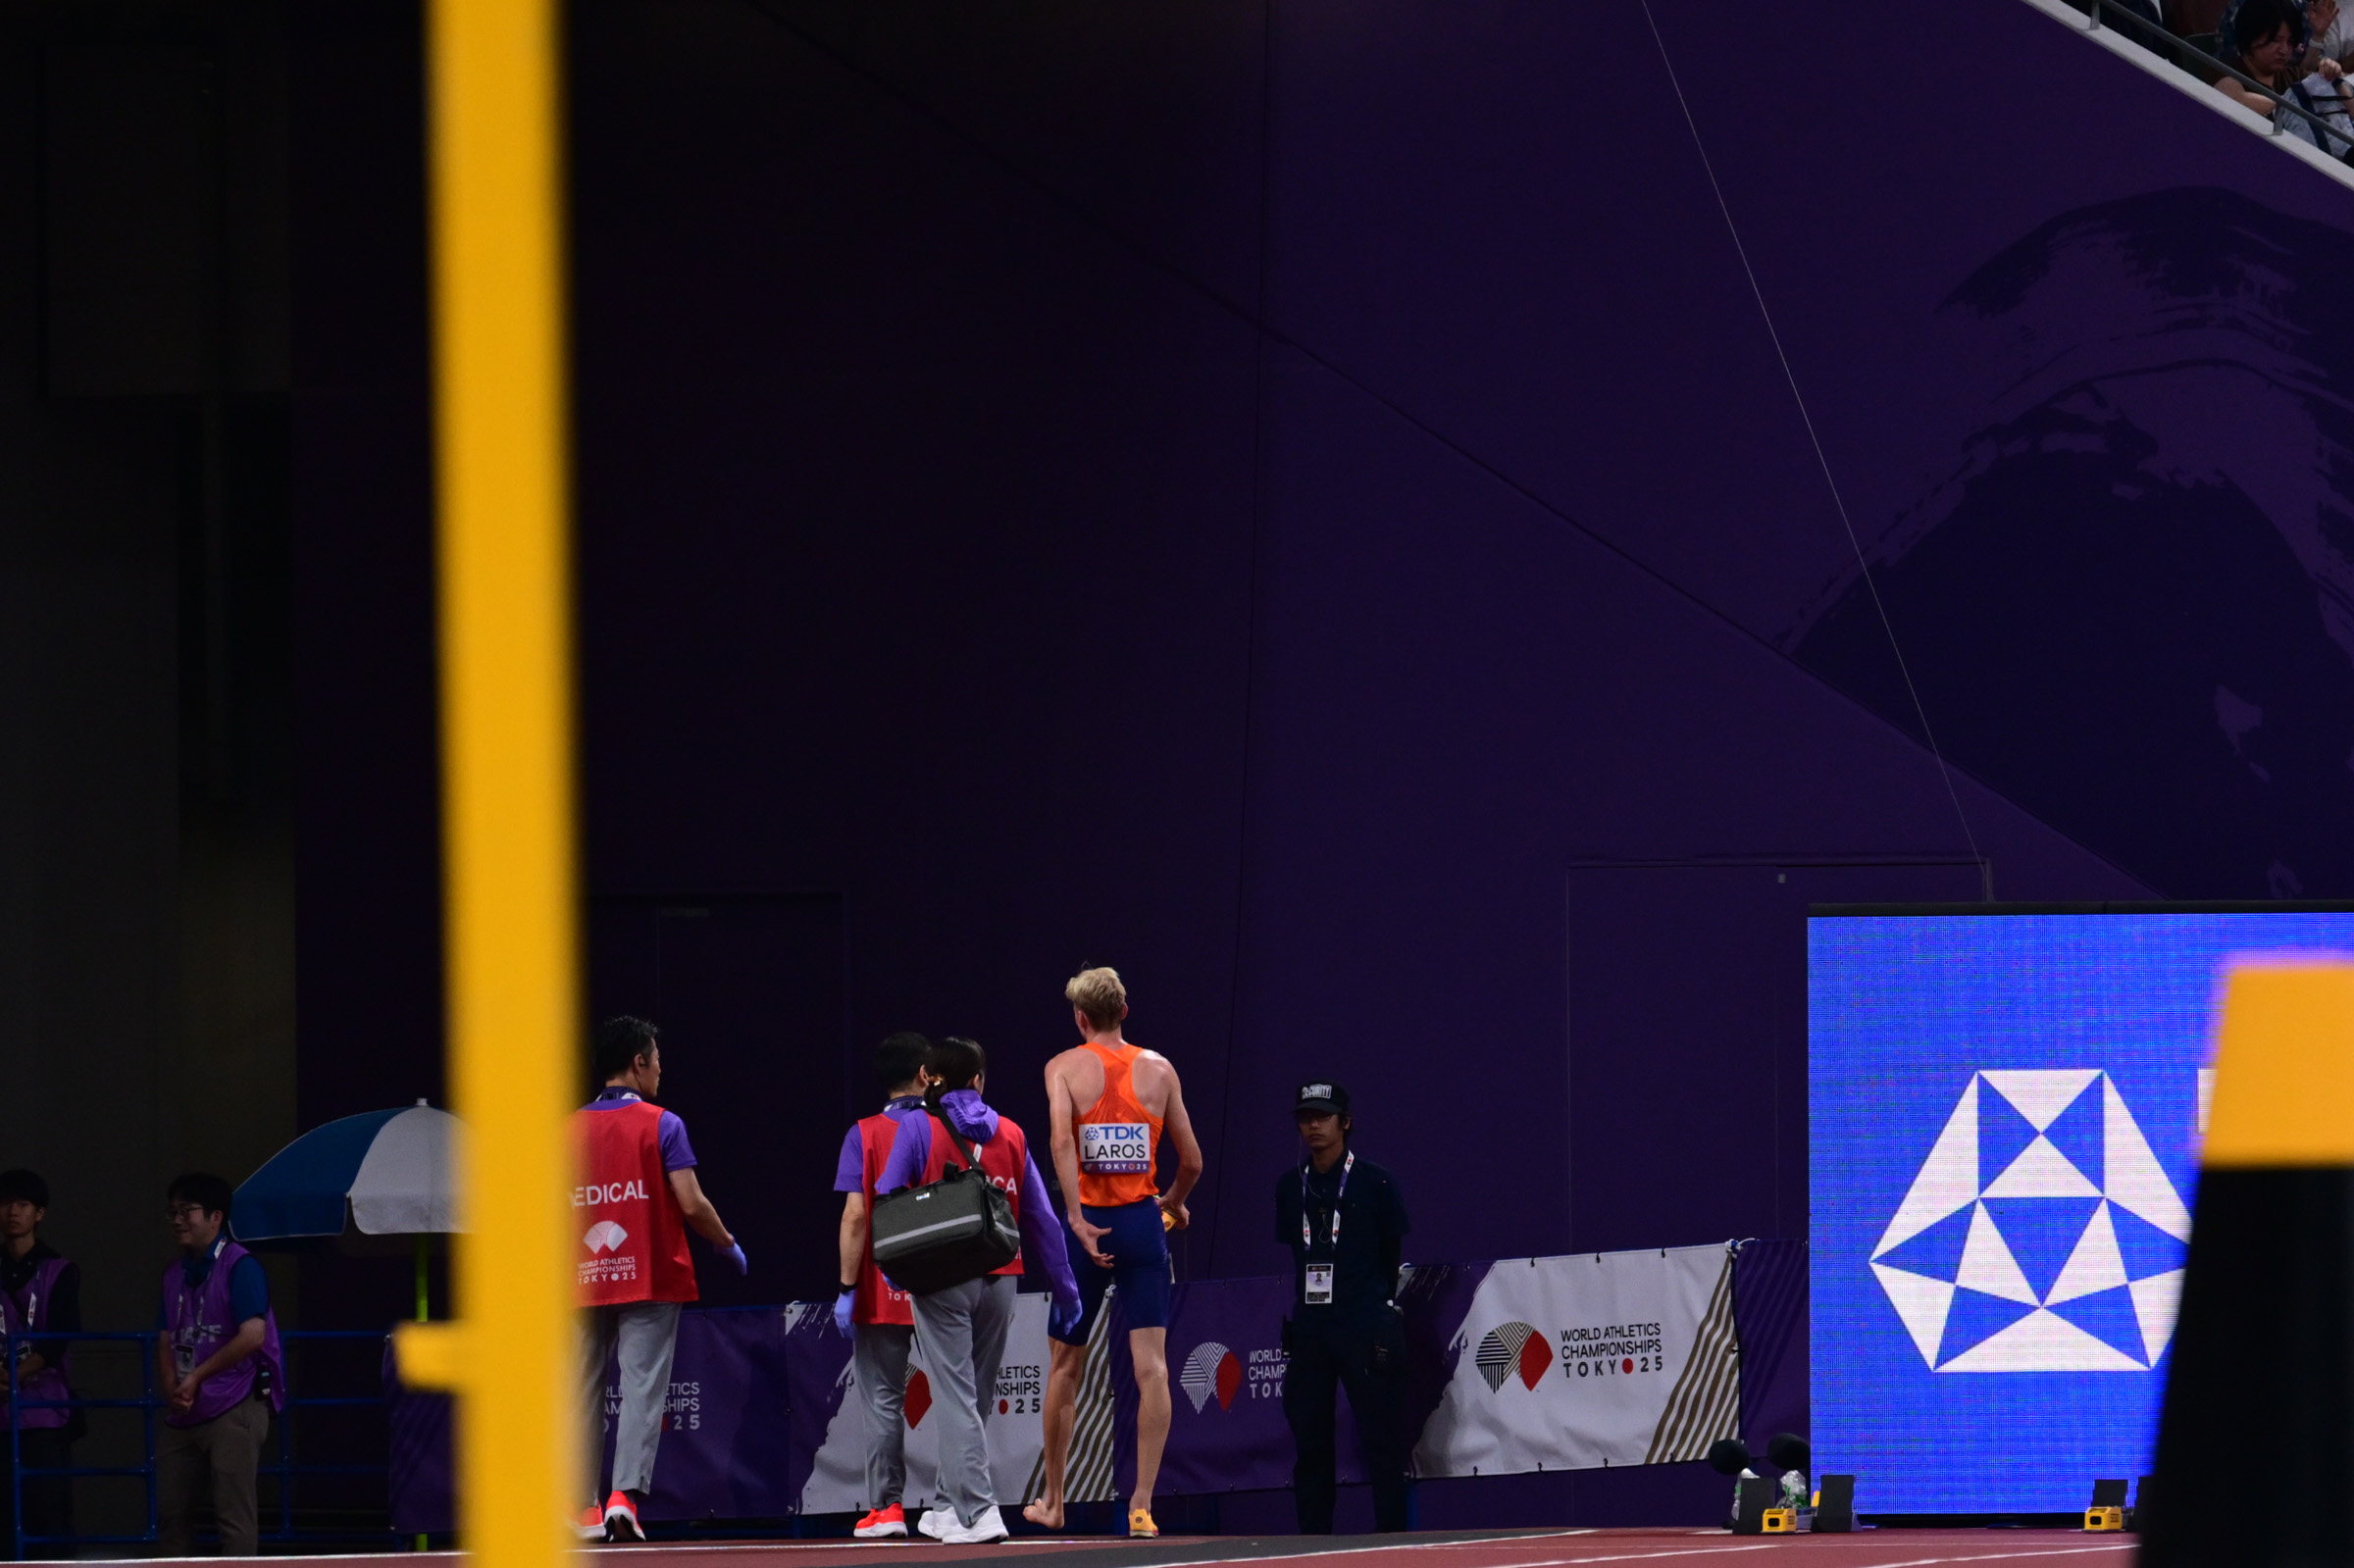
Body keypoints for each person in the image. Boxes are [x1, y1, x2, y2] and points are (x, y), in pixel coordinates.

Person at [874, 1037, 1080, 1545]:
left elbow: (887, 1198)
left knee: (957, 1396)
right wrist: (1066, 1288)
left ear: (930, 1076)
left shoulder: (917, 1127)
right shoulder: (1010, 1132)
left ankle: (980, 1511)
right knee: (974, 1397)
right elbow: (1042, 1218)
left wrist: (892, 1271)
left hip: (941, 1277)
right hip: (1001, 1278)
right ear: (979, 1080)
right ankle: (948, 1506)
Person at [1027, 967, 1203, 1539]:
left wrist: (1076, 1219)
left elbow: (1059, 1141)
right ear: (1124, 1011)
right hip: (1142, 1228)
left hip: (1088, 1231)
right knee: (1153, 1368)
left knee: (1065, 1364)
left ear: (1080, 1018)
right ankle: (1142, 1506)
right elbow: (1192, 1161)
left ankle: (1054, 1501)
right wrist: (1172, 1204)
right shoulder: (1160, 1069)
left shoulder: (1062, 1067)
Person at [573, 1016, 744, 1543]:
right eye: (657, 1060)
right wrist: (725, 1241)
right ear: (638, 1063)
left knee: (579, 1389)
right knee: (641, 1387)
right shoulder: (663, 1124)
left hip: (580, 1277)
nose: (661, 1071)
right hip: (649, 1275)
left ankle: (580, 1508)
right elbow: (691, 1202)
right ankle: (623, 1498)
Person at [1276, 1082, 1412, 1536]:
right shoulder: (1290, 1186)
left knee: (1381, 1439)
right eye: (1305, 1117)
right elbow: (1296, 1250)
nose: (1313, 1125)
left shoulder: (1376, 1182)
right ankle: (1312, 1544)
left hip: (1365, 1323)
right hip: (1311, 1328)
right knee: (1311, 1442)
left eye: (1323, 1116)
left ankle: (1392, 1539)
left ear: (1345, 1123)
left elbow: (1391, 1251)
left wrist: (1374, 1302)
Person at [829, 1032, 934, 1540]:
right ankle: (961, 1506)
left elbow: (855, 1216)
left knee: (885, 1400)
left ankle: (888, 1509)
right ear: (924, 1075)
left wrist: (847, 1288)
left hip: (881, 1288)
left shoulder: (863, 1134)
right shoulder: (944, 1127)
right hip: (943, 1286)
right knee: (958, 1397)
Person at [156, 1174, 281, 1558]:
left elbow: (253, 1336)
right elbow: (165, 1338)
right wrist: (172, 1387)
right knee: (170, 1513)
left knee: (234, 1517)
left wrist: (196, 1376)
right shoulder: (174, 1274)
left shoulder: (240, 1266)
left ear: (215, 1217)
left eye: (187, 1211)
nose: (177, 1220)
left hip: (234, 1401)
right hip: (185, 1408)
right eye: (172, 1212)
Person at [1, 1170, 78, 1557]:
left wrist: (13, 1376)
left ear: (39, 1213)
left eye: (23, 1204)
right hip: (2, 1411)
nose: (12, 1212)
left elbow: (61, 1336)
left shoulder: (59, 1269)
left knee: (48, 1512)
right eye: (5, 1203)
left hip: (46, 1410)